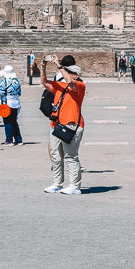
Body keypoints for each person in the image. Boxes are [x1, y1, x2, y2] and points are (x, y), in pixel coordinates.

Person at [41, 54, 86, 195]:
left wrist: (60, 67)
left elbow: (71, 83)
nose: (65, 73)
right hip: (57, 124)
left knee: (70, 156)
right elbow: (44, 82)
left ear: (76, 75)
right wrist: (43, 67)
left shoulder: (79, 85)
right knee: (56, 154)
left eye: (69, 72)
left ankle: (74, 186)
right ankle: (57, 183)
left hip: (72, 124)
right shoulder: (61, 86)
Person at [0, 65, 23, 145]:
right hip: (16, 102)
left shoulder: (4, 81)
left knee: (7, 121)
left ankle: (9, 140)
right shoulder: (16, 81)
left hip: (7, 103)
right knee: (14, 121)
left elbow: (1, 92)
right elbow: (19, 93)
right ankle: (18, 140)